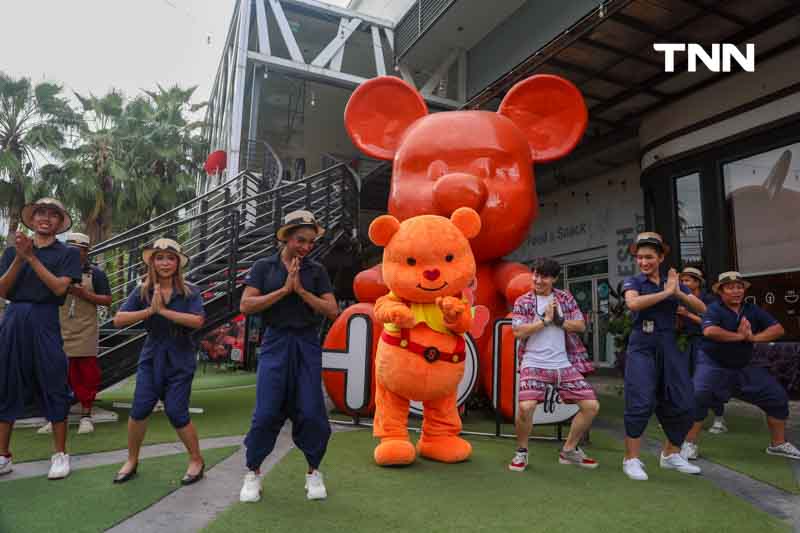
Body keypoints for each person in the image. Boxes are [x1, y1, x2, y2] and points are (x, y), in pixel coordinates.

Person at [238, 210, 338, 503]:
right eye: (300, 240)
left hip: (307, 344)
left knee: (311, 411)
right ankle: (253, 472)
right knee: (267, 411)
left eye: (310, 242)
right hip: (275, 343)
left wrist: (302, 291)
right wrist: (284, 290)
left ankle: (313, 472)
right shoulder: (263, 267)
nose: (306, 247)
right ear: (286, 237)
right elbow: (246, 305)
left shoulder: (317, 271)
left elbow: (331, 310)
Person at [112, 238, 206, 485]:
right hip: (152, 353)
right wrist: (150, 311)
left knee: (176, 411)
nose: (165, 263)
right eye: (159, 258)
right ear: (152, 262)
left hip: (181, 353)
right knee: (139, 409)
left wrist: (164, 312)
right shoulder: (142, 290)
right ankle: (132, 460)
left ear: (178, 262)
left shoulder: (190, 291)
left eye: (170, 258)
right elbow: (118, 319)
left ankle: (196, 459)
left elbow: (197, 321)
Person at [0, 198, 81, 479]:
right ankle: (3, 455)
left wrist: (32, 259)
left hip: (45, 320)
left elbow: (60, 289)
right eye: (40, 213)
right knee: (5, 382)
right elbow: (2, 289)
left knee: (54, 380)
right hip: (13, 320)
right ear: (32, 219)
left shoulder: (67, 253)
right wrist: (20, 258)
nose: (46, 218)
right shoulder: (13, 252)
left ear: (60, 223)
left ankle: (60, 455)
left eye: (53, 215)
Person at [681, 272, 799, 461]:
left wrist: (753, 338)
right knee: (698, 396)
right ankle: (688, 444)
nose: (736, 291)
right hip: (713, 363)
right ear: (721, 291)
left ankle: (778, 444)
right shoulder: (714, 309)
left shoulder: (752, 309)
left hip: (745, 364)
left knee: (776, 397)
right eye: (730, 287)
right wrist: (739, 337)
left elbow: (778, 329)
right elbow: (710, 331)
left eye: (739, 287)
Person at [621, 232, 706, 481]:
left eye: (649, 257)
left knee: (685, 401)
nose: (644, 262)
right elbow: (634, 305)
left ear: (660, 257)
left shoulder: (673, 282)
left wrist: (677, 292)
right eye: (640, 257)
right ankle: (631, 459)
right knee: (640, 401)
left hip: (668, 344)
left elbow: (702, 308)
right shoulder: (634, 281)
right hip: (642, 346)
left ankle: (671, 454)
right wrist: (666, 294)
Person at [509, 257, 600, 472]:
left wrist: (559, 320)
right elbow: (518, 331)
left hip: (563, 363)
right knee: (526, 407)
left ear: (554, 279)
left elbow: (580, 325)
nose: (538, 280)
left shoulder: (564, 298)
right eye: (536, 274)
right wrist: (545, 321)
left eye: (544, 276)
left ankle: (569, 450)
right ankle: (521, 451)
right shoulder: (523, 301)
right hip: (533, 361)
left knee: (591, 406)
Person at [38, 233, 111, 435]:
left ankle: (86, 416)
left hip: (86, 329)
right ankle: (54, 416)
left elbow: (107, 300)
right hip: (57, 328)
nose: (75, 254)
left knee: (86, 374)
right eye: (71, 250)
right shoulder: (54, 271)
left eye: (80, 250)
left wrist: (84, 294)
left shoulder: (96, 274)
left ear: (87, 252)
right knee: (57, 374)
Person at [677, 267, 727, 434]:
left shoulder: (710, 300)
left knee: (709, 382)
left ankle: (719, 418)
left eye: (687, 280)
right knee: (689, 381)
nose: (684, 283)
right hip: (691, 344)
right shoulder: (683, 300)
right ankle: (691, 417)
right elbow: (681, 325)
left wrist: (688, 315)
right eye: (682, 280)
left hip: (709, 344)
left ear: (697, 282)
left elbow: (713, 324)